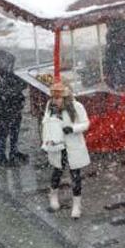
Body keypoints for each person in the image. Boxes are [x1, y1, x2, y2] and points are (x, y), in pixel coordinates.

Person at [42, 82, 90, 219]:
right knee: (57, 171)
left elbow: (86, 123)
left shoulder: (77, 107)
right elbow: (46, 121)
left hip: (73, 146)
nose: (55, 101)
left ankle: (76, 205)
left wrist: (73, 129)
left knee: (75, 175)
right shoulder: (50, 106)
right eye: (53, 98)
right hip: (57, 145)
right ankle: (53, 198)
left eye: (58, 98)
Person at [0, 50, 28, 167]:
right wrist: (15, 90)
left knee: (15, 132)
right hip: (2, 112)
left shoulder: (8, 73)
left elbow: (22, 83)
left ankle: (14, 152)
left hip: (13, 109)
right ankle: (1, 156)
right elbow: (2, 94)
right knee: (3, 134)